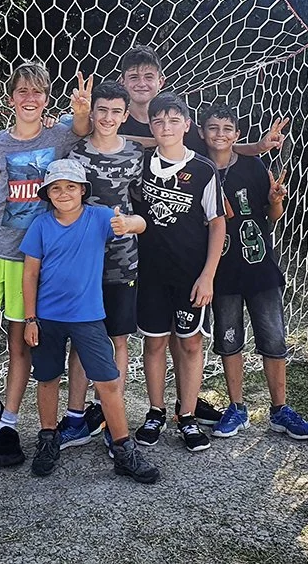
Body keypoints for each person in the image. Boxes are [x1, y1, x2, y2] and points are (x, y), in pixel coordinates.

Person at [117, 45, 288, 426]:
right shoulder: (116, 116)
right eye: (134, 77)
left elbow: (220, 145)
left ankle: (187, 406)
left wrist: (259, 148)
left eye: (149, 76)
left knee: (188, 338)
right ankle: (147, 409)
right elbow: (90, 135)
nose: (142, 83)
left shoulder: (186, 135)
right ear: (123, 84)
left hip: (191, 258)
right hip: (142, 256)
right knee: (151, 338)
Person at [0, 63, 91, 468]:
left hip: (30, 257)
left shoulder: (58, 135)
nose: (30, 98)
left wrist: (81, 108)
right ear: (11, 99)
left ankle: (9, 423)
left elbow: (87, 128)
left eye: (37, 91)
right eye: (22, 91)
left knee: (21, 343)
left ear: (47, 99)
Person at [20, 158, 160, 483]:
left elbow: (142, 223)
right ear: (47, 193)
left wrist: (128, 224)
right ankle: (48, 438)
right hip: (47, 318)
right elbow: (29, 274)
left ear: (83, 190)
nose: (64, 193)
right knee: (47, 379)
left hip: (88, 317)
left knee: (108, 381)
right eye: (56, 188)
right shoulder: (40, 225)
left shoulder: (99, 217)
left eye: (71, 187)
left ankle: (123, 448)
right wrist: (30, 319)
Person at [199, 103, 308, 440]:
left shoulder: (253, 166)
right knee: (229, 340)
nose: (220, 134)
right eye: (213, 128)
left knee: (274, 339)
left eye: (227, 129)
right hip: (222, 272)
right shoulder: (198, 169)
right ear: (202, 133)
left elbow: (272, 216)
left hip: (260, 268)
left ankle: (280, 410)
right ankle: (237, 407)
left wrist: (276, 199)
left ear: (237, 134)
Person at [133, 94, 227, 452]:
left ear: (187, 125)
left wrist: (208, 275)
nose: (166, 127)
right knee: (154, 343)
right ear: (151, 126)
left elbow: (217, 223)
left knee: (190, 343)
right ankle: (155, 411)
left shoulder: (203, 169)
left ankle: (186, 415)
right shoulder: (140, 164)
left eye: (174, 120)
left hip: (190, 275)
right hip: (150, 273)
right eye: (158, 121)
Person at [58, 81, 141, 454]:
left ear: (125, 115)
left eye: (115, 111)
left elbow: (143, 204)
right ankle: (76, 418)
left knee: (118, 339)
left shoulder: (136, 154)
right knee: (81, 339)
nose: (107, 117)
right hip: (82, 262)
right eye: (101, 110)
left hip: (123, 260)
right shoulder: (74, 153)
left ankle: (111, 418)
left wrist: (131, 224)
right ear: (92, 113)